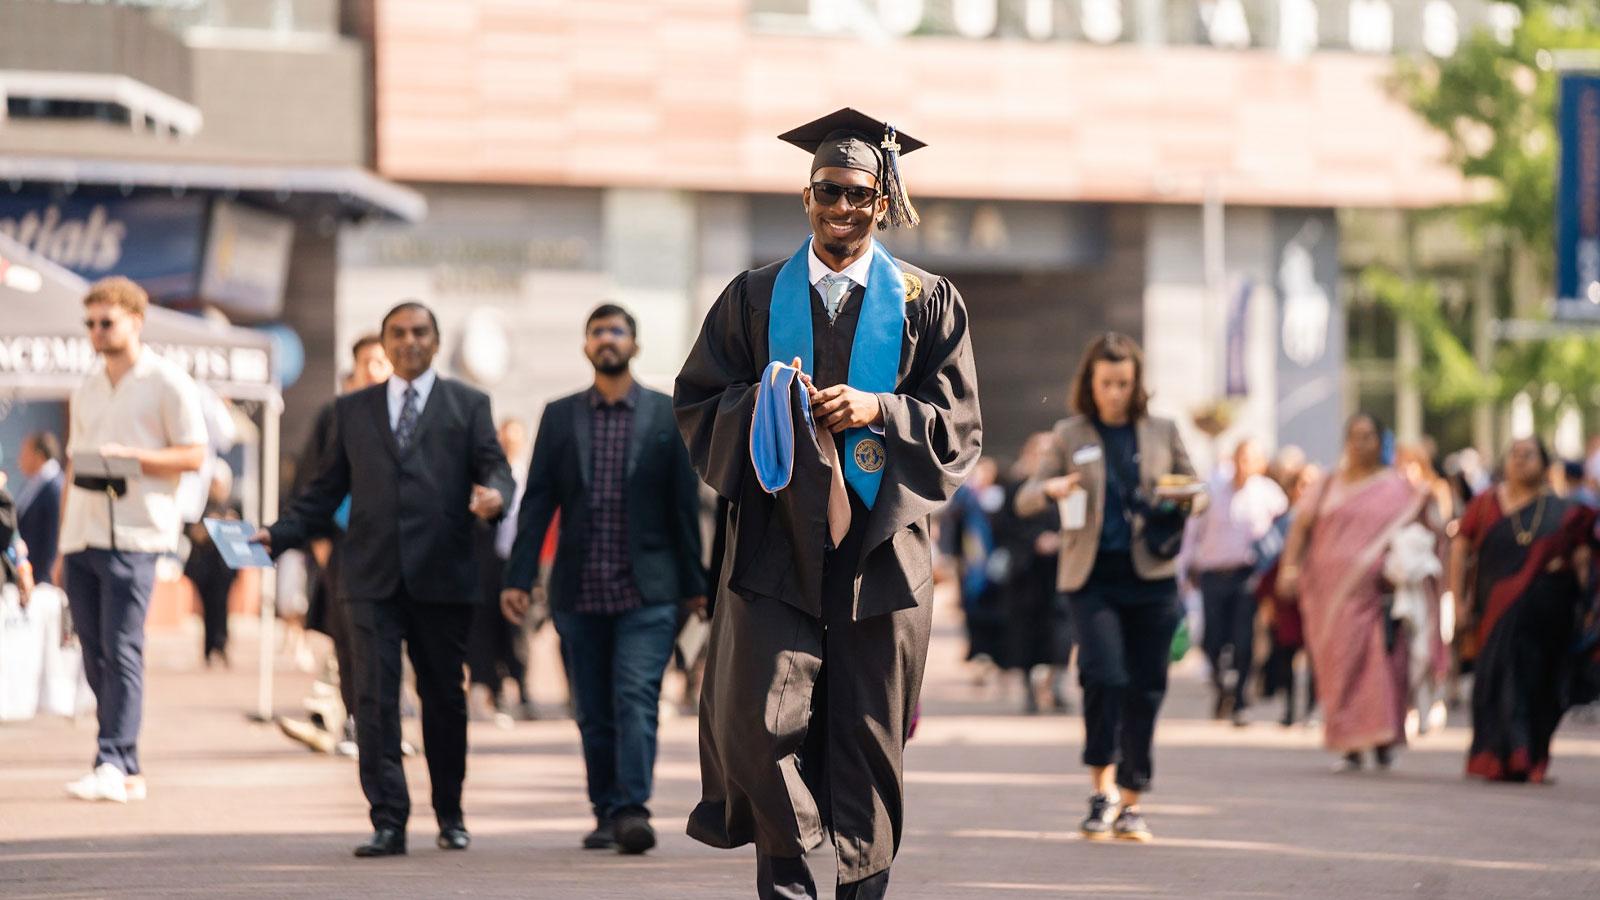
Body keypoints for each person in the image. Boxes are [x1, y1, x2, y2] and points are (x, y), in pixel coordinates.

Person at [674, 108, 982, 899]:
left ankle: (860, 885)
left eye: (858, 194)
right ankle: (788, 866)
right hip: (776, 547)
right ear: (804, 199)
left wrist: (882, 410)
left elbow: (961, 429)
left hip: (880, 555)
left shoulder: (926, 300)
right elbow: (698, 402)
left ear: (884, 201)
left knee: (867, 736)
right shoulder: (752, 297)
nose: (843, 208)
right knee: (760, 722)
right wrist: (770, 406)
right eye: (827, 192)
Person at [254, 302, 513, 857]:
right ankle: (388, 819)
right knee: (372, 701)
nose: (409, 341)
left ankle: (450, 812)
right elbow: (321, 494)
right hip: (369, 579)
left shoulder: (468, 405)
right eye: (398, 333)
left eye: (419, 332)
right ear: (386, 344)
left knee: (444, 699)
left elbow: (495, 467)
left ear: (436, 341)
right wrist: (278, 535)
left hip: (443, 578)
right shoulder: (351, 411)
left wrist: (496, 496)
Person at [501, 304, 708, 856]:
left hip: (650, 591)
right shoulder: (560, 415)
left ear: (634, 346)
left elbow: (683, 508)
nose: (607, 340)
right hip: (578, 588)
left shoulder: (667, 415)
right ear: (586, 345)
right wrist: (519, 577)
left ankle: (633, 809)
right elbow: (538, 503)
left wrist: (697, 585)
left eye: (617, 332)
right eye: (598, 332)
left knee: (635, 696)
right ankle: (606, 810)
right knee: (591, 708)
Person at [1016, 332, 1203, 844]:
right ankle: (1101, 791)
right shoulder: (1070, 433)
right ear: (1090, 384)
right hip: (1091, 579)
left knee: (1146, 687)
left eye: (1124, 383)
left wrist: (1176, 495)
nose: (1115, 393)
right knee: (1104, 676)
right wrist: (1051, 488)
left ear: (1136, 382)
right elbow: (1026, 499)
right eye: (1106, 383)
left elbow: (1198, 491)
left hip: (1152, 578)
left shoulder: (1162, 430)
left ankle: (1132, 802)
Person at [57, 276, 209, 803]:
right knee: (94, 651)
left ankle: (113, 757)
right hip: (84, 533)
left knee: (122, 648)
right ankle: (123, 761)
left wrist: (135, 459)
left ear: (135, 322)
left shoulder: (167, 381)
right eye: (91, 324)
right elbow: (75, 466)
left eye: (107, 322)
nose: (96, 332)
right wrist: (60, 545)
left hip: (137, 533)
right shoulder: (86, 384)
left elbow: (194, 454)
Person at [1278, 413, 1423, 772]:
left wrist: (1399, 566)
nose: (1361, 444)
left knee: (1382, 665)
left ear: (1380, 441)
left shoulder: (1397, 488)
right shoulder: (1327, 484)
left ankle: (1384, 737)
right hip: (1328, 596)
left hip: (1378, 593)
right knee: (1339, 665)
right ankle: (1350, 744)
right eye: (1355, 437)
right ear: (1346, 442)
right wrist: (1289, 568)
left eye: (1369, 436)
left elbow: (1418, 529)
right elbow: (1300, 528)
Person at [1451, 437, 1595, 782]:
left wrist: (1587, 601)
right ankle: (1498, 759)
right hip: (1495, 613)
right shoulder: (1485, 505)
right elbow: (1460, 548)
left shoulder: (1565, 512)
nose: (1520, 461)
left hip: (1548, 617)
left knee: (1542, 685)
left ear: (1544, 465)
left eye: (1529, 455)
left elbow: (1583, 560)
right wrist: (1456, 600)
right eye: (1514, 454)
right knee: (1496, 680)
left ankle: (1530, 759)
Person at [1181, 438, 1287, 725]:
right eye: (1242, 457)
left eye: (1252, 459)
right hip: (1213, 575)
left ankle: (1240, 699)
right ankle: (1222, 685)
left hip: (1248, 575)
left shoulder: (1269, 494)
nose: (1245, 464)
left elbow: (1284, 533)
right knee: (1211, 639)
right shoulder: (1213, 489)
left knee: (1244, 640)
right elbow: (1193, 531)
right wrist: (1185, 567)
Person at [998, 433, 1074, 715]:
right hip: (1026, 572)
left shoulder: (1065, 487)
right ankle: (1029, 690)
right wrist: (1034, 541)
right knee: (1026, 630)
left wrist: (1059, 540)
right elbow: (1004, 526)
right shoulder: (1016, 487)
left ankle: (1056, 687)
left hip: (1057, 570)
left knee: (1061, 630)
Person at [469, 418, 535, 723]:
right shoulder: (486, 476)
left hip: (519, 560)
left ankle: (522, 689)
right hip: (488, 562)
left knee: (519, 631)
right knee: (487, 627)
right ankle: (491, 689)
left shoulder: (530, 474)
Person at [1253, 460, 1323, 727]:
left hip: (1317, 597)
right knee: (1286, 654)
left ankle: (1314, 708)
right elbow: (1268, 565)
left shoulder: (1327, 521)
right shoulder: (1282, 522)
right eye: (1303, 484)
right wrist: (1269, 601)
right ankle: (1290, 709)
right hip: (1288, 599)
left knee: (1316, 656)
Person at [182, 463, 241, 666]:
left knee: (223, 607)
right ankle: (209, 648)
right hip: (205, 568)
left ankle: (221, 645)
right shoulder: (200, 507)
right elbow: (192, 533)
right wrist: (209, 528)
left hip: (225, 569)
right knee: (208, 609)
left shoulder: (233, 506)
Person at [15, 431, 64, 586]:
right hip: (26, 574)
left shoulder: (55, 486)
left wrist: (47, 577)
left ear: (39, 455)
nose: (20, 459)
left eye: (25, 453)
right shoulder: (32, 484)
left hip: (42, 579)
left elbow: (54, 536)